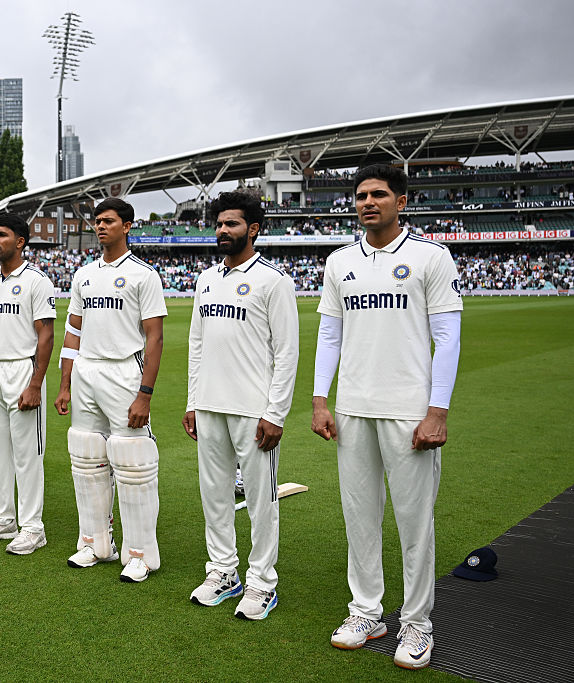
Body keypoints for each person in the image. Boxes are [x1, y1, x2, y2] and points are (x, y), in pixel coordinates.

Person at [312, 164, 462, 670]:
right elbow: (329, 335)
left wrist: (437, 410)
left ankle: (417, 623)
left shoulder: (430, 257)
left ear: (402, 200)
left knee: (414, 523)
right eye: (360, 195)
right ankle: (367, 611)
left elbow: (447, 338)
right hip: (353, 410)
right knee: (359, 518)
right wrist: (319, 399)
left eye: (378, 194)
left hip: (409, 413)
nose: (367, 202)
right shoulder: (339, 262)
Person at [184, 191, 299, 619]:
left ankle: (262, 583)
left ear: (252, 229)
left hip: (254, 410)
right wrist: (193, 401)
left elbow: (287, 353)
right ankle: (223, 572)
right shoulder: (206, 279)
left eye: (231, 224)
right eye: (218, 224)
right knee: (214, 496)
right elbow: (197, 344)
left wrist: (275, 413)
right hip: (210, 406)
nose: (222, 231)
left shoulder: (274, 280)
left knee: (260, 501)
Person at [54, 197, 167, 583]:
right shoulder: (83, 275)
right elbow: (73, 331)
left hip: (124, 370)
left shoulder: (143, 275)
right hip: (87, 370)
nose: (101, 226)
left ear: (127, 226)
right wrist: (65, 382)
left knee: (132, 460)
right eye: (98, 221)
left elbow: (154, 338)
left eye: (109, 221)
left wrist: (145, 393)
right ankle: (95, 543)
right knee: (86, 456)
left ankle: (140, 553)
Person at [0, 213, 56, 554]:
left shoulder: (37, 280)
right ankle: (3, 518)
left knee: (27, 454)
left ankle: (33, 527)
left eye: (1, 235)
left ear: (20, 241)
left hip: (22, 369)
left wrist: (36, 384)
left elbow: (45, 334)